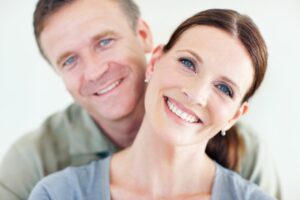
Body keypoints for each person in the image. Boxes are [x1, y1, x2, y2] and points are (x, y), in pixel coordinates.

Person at [0, 0, 280, 199]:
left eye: (105, 42)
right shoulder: (36, 170)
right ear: (157, 60)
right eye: (70, 60)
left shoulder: (248, 157)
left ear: (145, 37)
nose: (95, 71)